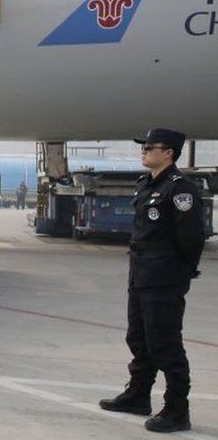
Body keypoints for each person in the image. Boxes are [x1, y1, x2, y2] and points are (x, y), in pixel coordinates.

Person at [99, 128, 204, 433]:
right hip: (141, 273)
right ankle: (138, 394)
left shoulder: (180, 189)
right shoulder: (146, 183)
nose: (143, 151)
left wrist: (180, 273)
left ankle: (176, 409)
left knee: (165, 343)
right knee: (138, 337)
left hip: (164, 277)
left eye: (149, 147)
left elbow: (191, 238)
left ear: (168, 152)